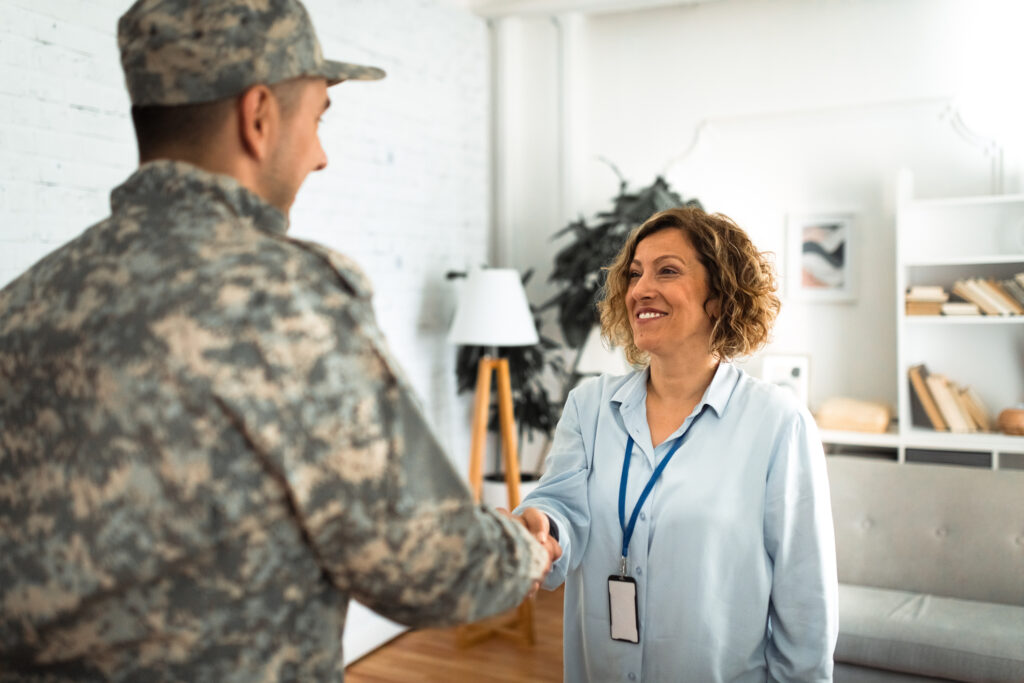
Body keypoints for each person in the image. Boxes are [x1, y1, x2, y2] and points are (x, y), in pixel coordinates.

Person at [0, 0, 557, 680]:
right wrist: (522, 547)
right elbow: (427, 564)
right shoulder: (287, 296)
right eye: (318, 119)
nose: (320, 156)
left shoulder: (22, 303)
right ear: (258, 116)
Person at [514, 207, 839, 682]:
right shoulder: (589, 406)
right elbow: (560, 509)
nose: (640, 288)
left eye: (667, 270)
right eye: (634, 273)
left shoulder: (777, 423)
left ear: (720, 295)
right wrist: (541, 529)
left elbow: (804, 597)